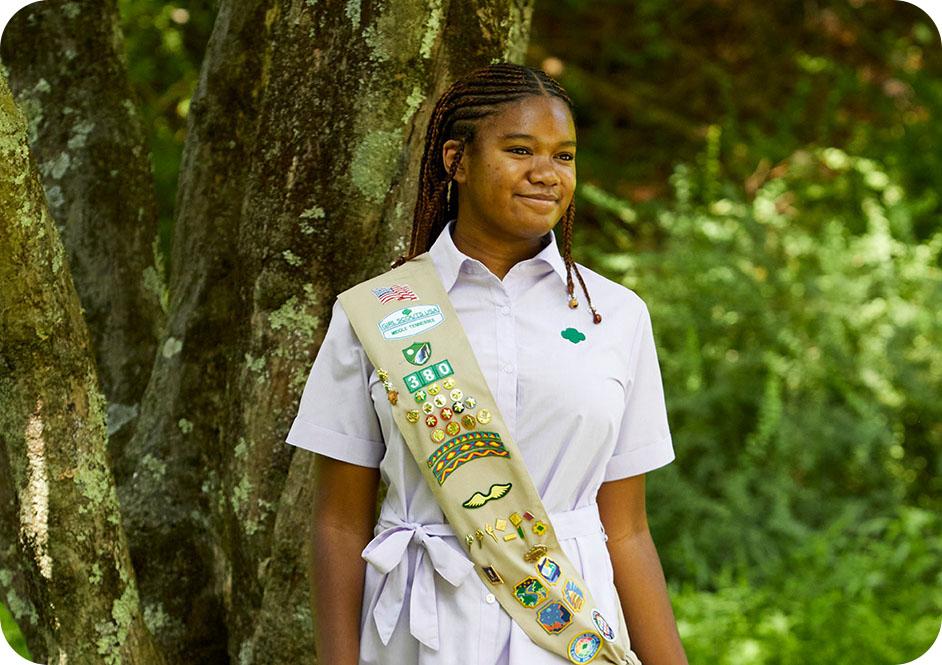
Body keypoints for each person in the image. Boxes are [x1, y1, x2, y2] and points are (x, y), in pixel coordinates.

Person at [285, 62, 688, 665]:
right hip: (422, 633)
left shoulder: (615, 316)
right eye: (520, 149)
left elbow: (627, 530)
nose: (546, 174)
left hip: (567, 628)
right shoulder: (378, 312)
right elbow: (339, 525)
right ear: (457, 160)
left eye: (565, 156)